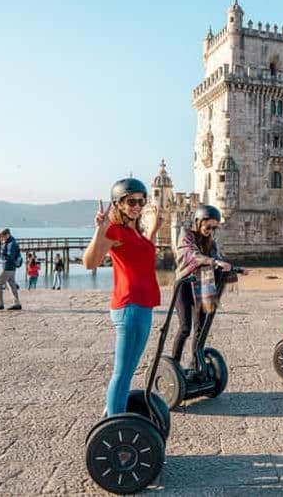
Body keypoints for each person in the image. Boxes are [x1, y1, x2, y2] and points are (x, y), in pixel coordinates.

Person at [82, 178, 162, 416]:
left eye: (141, 201)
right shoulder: (115, 230)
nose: (137, 206)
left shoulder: (134, 232)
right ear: (118, 203)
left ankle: (114, 413)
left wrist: (153, 230)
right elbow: (89, 263)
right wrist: (100, 229)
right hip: (130, 306)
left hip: (143, 305)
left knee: (129, 369)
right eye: (131, 202)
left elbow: (144, 257)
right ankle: (114, 422)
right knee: (123, 371)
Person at [171, 205, 244, 366]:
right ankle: (174, 365)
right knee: (185, 328)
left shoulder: (211, 243)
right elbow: (192, 255)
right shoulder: (186, 236)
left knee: (200, 328)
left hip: (202, 287)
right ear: (198, 222)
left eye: (214, 228)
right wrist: (213, 261)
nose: (210, 231)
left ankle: (196, 363)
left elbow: (219, 259)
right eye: (208, 227)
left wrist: (236, 269)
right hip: (184, 285)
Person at [0, 228, 22, 310]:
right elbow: (3, 254)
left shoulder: (11, 244)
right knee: (12, 285)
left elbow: (8, 257)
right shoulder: (10, 242)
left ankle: (0, 304)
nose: (2, 238)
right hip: (12, 267)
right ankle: (17, 303)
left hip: (8, 267)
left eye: (3, 236)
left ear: (7, 235)